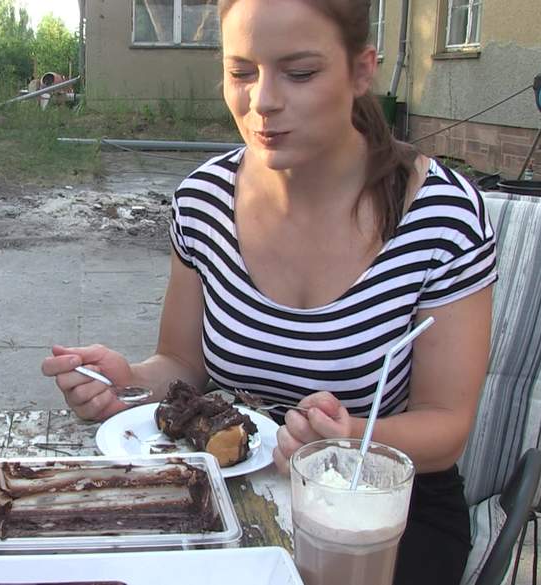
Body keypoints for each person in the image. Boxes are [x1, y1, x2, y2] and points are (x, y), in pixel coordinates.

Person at [41, 1, 495, 583]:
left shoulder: (442, 215)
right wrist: (126, 380)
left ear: (362, 71)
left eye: (299, 73)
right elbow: (182, 362)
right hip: (230, 494)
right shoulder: (204, 200)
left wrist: (347, 438)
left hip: (376, 509)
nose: (263, 101)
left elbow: (446, 426)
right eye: (241, 72)